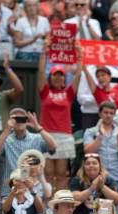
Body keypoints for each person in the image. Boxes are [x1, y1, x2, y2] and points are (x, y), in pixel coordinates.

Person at [38, 42, 83, 191]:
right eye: (55, 75)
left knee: (62, 173)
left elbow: (78, 74)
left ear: (64, 79)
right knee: (48, 173)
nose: (58, 78)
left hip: (64, 135)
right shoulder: (44, 92)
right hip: (47, 134)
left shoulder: (69, 93)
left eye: (61, 75)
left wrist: (79, 56)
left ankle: (59, 202)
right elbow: (40, 72)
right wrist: (44, 53)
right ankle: (48, 204)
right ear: (50, 78)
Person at [0, 108, 56, 197]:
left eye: (22, 119)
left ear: (27, 120)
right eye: (16, 119)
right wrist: (7, 129)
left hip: (33, 190)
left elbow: (53, 146)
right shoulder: (5, 139)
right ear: (10, 121)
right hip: (10, 191)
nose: (19, 121)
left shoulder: (36, 138)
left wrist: (37, 127)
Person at [83, 101, 118, 208]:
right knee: (96, 212)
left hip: (117, 176)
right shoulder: (91, 131)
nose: (108, 115)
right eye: (106, 112)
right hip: (96, 178)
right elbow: (88, 153)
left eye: (111, 113)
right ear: (100, 114)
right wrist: (99, 137)